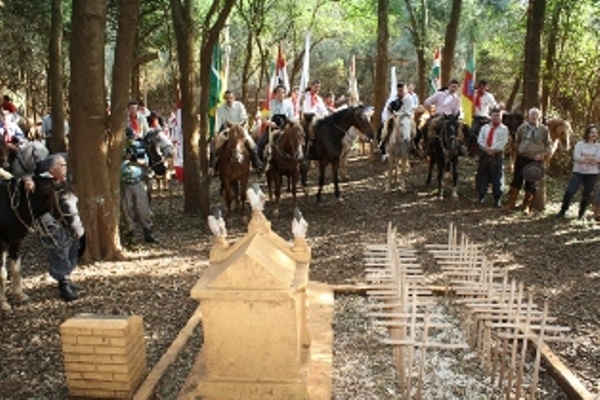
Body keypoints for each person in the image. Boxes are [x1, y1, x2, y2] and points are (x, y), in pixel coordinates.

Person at [34, 154, 85, 302]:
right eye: (62, 166)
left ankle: (67, 277)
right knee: (59, 248)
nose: (65, 168)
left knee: (73, 245)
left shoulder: (64, 182)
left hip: (68, 219)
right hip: (50, 222)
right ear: (52, 169)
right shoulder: (41, 182)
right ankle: (64, 284)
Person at [503, 107, 552, 213]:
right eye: (532, 115)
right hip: (522, 158)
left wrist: (542, 155)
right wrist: (516, 151)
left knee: (531, 183)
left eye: (536, 115)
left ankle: (526, 205)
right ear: (528, 116)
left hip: (535, 160)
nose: (534, 117)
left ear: (539, 116)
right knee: (517, 180)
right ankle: (511, 202)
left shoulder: (544, 130)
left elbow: (549, 146)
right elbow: (517, 140)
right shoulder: (522, 128)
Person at [121, 128, 158, 243]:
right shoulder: (116, 148)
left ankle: (147, 232)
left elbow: (145, 162)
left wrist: (134, 159)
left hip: (137, 180)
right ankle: (130, 234)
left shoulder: (138, 147)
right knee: (127, 209)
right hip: (123, 181)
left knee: (143, 208)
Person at [556, 124, 600, 219]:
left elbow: (598, 159)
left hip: (592, 174)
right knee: (569, 191)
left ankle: (581, 214)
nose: (594, 134)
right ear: (587, 133)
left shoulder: (598, 146)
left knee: (586, 194)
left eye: (596, 133)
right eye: (592, 132)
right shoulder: (580, 144)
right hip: (578, 172)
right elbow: (576, 157)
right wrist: (591, 158)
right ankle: (563, 211)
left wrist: (584, 157)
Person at [213, 90, 263, 173]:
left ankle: (256, 162)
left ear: (234, 98)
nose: (229, 100)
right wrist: (216, 132)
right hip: (228, 130)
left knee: (250, 143)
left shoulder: (240, 106)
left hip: (240, 129)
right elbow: (218, 121)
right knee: (218, 143)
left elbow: (244, 118)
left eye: (231, 98)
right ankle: (216, 166)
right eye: (227, 98)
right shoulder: (221, 108)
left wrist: (237, 126)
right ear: (225, 99)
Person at [476, 108, 509, 207]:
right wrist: (486, 149)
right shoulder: (485, 128)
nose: (496, 118)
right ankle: (481, 196)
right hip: (484, 154)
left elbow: (502, 142)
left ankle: (497, 198)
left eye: (498, 116)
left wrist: (492, 150)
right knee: (482, 175)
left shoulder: (504, 129)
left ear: (501, 117)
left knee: (497, 177)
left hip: (496, 155)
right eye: (494, 116)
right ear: (490, 116)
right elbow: (480, 139)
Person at [418, 79, 462, 152]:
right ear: (449, 86)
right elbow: (427, 102)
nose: (453, 89)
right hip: (438, 116)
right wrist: (430, 112)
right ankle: (428, 146)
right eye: (452, 86)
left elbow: (456, 111)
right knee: (427, 126)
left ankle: (458, 147)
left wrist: (455, 117)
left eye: (455, 87)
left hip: (450, 117)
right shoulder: (439, 94)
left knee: (460, 129)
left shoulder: (457, 99)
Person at [258, 85, 296, 168]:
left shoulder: (289, 104)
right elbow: (263, 118)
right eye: (279, 92)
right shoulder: (269, 103)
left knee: (297, 141)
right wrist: (270, 123)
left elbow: (292, 118)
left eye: (283, 92)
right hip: (272, 128)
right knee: (260, 144)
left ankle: (298, 163)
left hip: (285, 129)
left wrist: (288, 125)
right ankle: (261, 165)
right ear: (275, 93)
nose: (281, 94)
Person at [378, 82, 414, 158]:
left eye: (401, 90)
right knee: (385, 126)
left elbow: (408, 111)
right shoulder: (394, 98)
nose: (400, 92)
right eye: (398, 90)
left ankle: (412, 145)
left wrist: (398, 114)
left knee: (409, 127)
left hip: (406, 117)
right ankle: (383, 144)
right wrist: (390, 111)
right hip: (395, 117)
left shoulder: (409, 99)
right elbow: (389, 108)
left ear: (405, 90)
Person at [470, 80, 498, 147]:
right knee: (472, 132)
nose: (482, 89)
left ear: (486, 88)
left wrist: (493, 111)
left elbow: (494, 106)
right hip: (474, 117)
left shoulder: (489, 96)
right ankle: (470, 148)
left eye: (483, 87)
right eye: (480, 87)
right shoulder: (473, 94)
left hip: (485, 117)